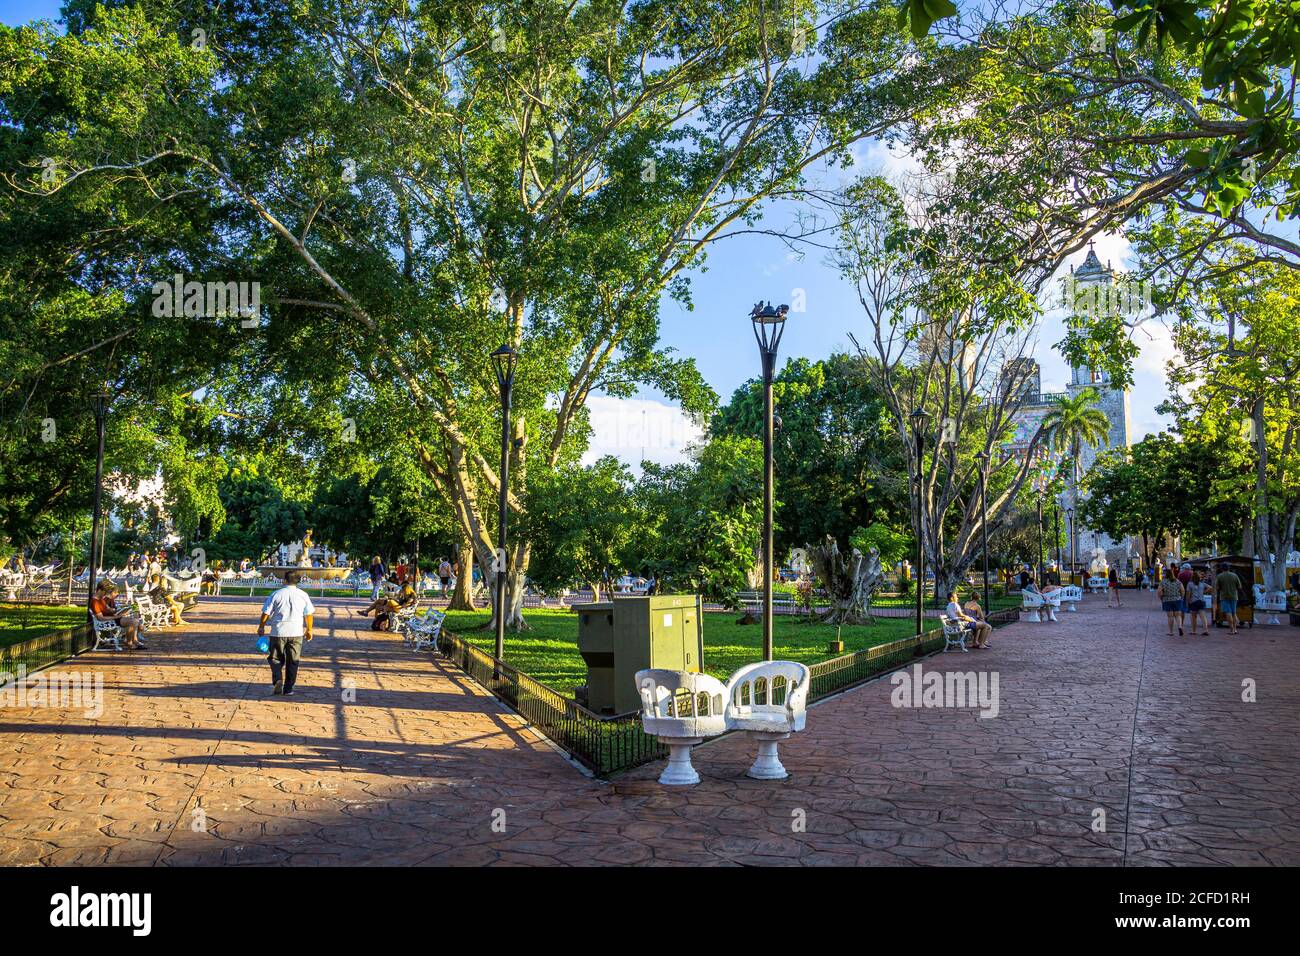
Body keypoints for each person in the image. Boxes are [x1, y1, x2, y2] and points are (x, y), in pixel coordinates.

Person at [258, 569, 315, 696]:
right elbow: (309, 614)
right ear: (298, 582)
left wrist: (261, 626)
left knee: (275, 658)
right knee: (293, 661)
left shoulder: (276, 594)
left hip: (278, 632)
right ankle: (288, 688)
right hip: (296, 632)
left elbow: (266, 613)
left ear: (284, 581)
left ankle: (278, 678)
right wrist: (309, 629)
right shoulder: (303, 595)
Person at [90, 580, 145, 650]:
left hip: (114, 617)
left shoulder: (100, 599)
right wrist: (118, 615)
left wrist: (120, 611)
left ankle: (131, 641)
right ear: (100, 590)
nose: (105, 594)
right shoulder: (95, 602)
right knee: (134, 622)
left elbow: (109, 609)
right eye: (105, 592)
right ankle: (129, 643)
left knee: (135, 620)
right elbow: (101, 618)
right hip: (109, 621)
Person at [1214, 562, 1243, 636]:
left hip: (1224, 597)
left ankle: (1231, 630)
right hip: (1234, 596)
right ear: (1228, 568)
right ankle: (1235, 629)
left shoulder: (1219, 576)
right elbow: (1239, 587)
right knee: (1233, 613)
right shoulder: (1234, 575)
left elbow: (1217, 587)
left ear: (1221, 568)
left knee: (1228, 613)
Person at [1158, 568, 1185, 636]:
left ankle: (1171, 631)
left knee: (1170, 616)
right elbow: (1182, 590)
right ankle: (1180, 627)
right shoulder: (1177, 581)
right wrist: (1181, 597)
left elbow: (1159, 591)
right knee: (1178, 615)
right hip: (1177, 599)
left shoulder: (1163, 582)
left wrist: (1161, 598)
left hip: (1167, 600)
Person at [1185, 570, 1210, 636]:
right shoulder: (1202, 583)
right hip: (1201, 601)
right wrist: (1204, 592)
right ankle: (1205, 630)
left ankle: (1194, 631)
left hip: (1193, 601)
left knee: (1193, 616)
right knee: (1203, 616)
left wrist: (1187, 601)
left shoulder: (1190, 583)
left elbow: (1188, 593)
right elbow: (1210, 587)